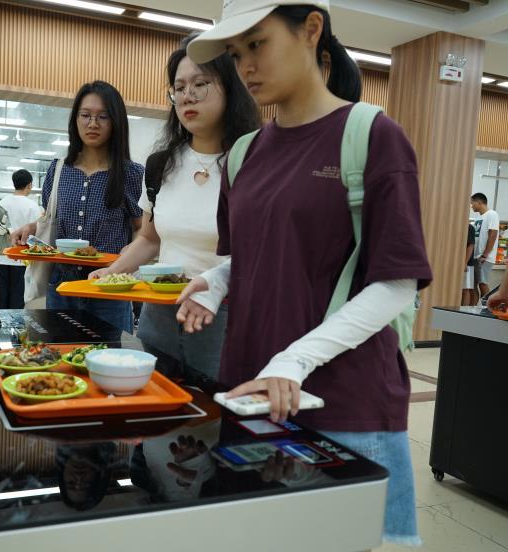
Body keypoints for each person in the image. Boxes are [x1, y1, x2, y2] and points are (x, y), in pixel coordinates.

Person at [176, 2, 432, 545]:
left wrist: (294, 360)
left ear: (312, 29)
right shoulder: (245, 152)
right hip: (251, 394)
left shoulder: (372, 135)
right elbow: (253, 253)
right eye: (236, 52)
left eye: (258, 44)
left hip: (343, 405)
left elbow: (395, 281)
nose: (245, 66)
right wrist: (217, 282)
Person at [89, 35, 260, 383]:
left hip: (225, 320)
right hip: (159, 321)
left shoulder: (254, 162)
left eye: (200, 84)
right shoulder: (160, 165)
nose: (187, 96)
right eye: (179, 87)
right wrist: (114, 270)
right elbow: (150, 238)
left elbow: (265, 251)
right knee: (154, 423)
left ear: (231, 89)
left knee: (214, 426)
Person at [11, 81, 144, 332]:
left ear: (116, 122)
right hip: (63, 285)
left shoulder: (132, 174)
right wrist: (30, 227)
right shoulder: (59, 169)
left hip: (109, 287)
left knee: (110, 360)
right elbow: (49, 217)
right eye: (85, 115)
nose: (92, 124)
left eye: (102, 116)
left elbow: (142, 229)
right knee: (62, 359)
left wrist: (130, 252)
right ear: (75, 120)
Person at [0, 169, 42, 309]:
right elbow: (37, 233)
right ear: (29, 185)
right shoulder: (32, 206)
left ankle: (1, 329)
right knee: (18, 300)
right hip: (22, 259)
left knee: (2, 298)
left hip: (2, 257)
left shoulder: (2, 203)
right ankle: (16, 330)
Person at [470, 192, 500, 303]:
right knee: (473, 286)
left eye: (472, 203)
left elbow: (493, 234)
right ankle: (474, 309)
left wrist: (485, 255)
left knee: (483, 283)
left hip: (484, 257)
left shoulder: (492, 214)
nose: (471, 206)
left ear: (479, 202)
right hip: (476, 256)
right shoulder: (478, 218)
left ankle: (488, 308)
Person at [462, 223, 476, 306]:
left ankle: (464, 311)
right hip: (458, 263)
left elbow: (471, 245)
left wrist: (465, 262)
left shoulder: (469, 227)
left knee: (466, 289)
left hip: (468, 263)